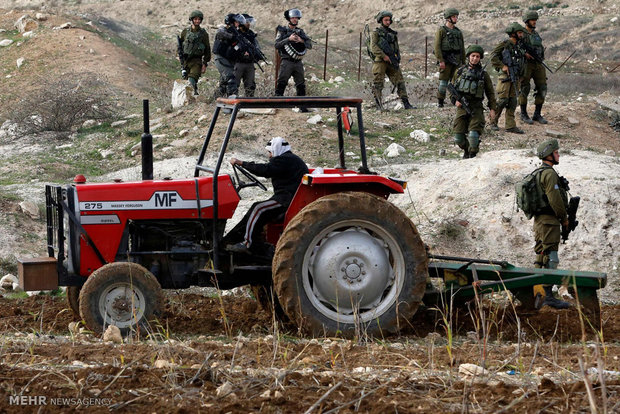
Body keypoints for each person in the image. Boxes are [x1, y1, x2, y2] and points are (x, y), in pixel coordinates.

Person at [227, 137, 309, 254]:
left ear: (277, 149)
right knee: (257, 208)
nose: (270, 156)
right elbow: (268, 169)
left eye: (270, 152)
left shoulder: (285, 159)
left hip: (287, 199)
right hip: (287, 196)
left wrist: (242, 163)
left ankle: (247, 244)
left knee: (258, 208)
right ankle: (234, 240)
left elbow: (265, 170)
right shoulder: (289, 159)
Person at [531, 139, 571, 309]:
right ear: (549, 155)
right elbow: (555, 200)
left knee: (541, 254)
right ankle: (547, 295)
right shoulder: (549, 174)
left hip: (540, 221)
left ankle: (538, 293)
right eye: (556, 152)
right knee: (551, 258)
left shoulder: (539, 172)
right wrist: (563, 218)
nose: (558, 154)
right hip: (549, 222)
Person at [450, 45, 496, 158]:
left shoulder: (483, 75)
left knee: (474, 135)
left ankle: (472, 153)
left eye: (477, 56)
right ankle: (466, 150)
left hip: (476, 108)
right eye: (473, 56)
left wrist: (492, 109)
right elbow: (452, 89)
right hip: (462, 108)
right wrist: (455, 101)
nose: (475, 58)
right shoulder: (460, 72)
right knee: (458, 137)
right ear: (468, 57)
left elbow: (490, 93)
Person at [370, 10, 414, 110]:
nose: (388, 22)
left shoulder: (392, 34)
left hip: (392, 61)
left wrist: (397, 57)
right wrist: (384, 56)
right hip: (380, 61)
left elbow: (396, 47)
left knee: (400, 81)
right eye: (385, 20)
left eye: (389, 20)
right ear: (381, 21)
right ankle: (378, 105)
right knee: (378, 83)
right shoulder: (376, 33)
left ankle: (406, 103)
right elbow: (373, 47)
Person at [490, 22, 526, 134]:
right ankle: (493, 122)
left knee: (513, 101)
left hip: (516, 76)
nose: (521, 35)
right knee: (502, 100)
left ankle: (510, 125)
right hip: (505, 76)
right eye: (519, 33)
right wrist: (503, 66)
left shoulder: (519, 46)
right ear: (513, 34)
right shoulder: (505, 44)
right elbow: (493, 56)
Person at [275, 8, 312, 107]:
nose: (295, 19)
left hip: (298, 62)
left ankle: (302, 106)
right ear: (289, 18)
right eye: (293, 18)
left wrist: (301, 41)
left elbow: (310, 45)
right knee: (282, 82)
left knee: (301, 84)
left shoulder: (301, 32)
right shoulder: (282, 31)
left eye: (296, 18)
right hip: (287, 61)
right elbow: (277, 45)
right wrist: (288, 39)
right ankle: (277, 104)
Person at [519, 10, 549, 125]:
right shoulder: (521, 33)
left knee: (542, 88)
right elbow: (515, 46)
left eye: (535, 20)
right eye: (532, 20)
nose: (534, 22)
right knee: (524, 88)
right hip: (526, 64)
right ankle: (523, 114)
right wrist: (524, 53)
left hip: (538, 63)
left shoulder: (536, 34)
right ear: (527, 21)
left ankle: (537, 114)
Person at [434, 8, 465, 108]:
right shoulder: (441, 30)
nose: (456, 18)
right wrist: (440, 60)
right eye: (454, 16)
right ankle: (440, 102)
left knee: (457, 81)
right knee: (443, 81)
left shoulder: (458, 32)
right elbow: (437, 46)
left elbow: (462, 48)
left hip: (457, 59)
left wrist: (463, 62)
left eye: (456, 16)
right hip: (446, 60)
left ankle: (455, 100)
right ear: (448, 18)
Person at [213, 13, 246, 97]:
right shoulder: (224, 29)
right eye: (236, 22)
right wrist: (233, 37)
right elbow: (220, 33)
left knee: (224, 83)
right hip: (220, 58)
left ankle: (216, 99)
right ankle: (234, 101)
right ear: (231, 22)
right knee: (231, 79)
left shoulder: (237, 33)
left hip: (229, 60)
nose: (238, 24)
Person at [178, 10, 211, 96]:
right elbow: (180, 46)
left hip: (196, 61)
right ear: (191, 19)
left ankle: (194, 95)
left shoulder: (203, 34)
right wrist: (179, 57)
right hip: (186, 61)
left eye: (199, 19)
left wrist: (205, 64)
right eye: (195, 19)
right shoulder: (185, 32)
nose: (197, 21)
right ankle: (193, 97)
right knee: (185, 83)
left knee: (192, 79)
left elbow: (207, 49)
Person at [234, 14, 260, 97]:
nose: (248, 24)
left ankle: (249, 105)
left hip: (249, 63)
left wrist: (253, 54)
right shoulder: (235, 34)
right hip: (238, 63)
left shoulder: (251, 35)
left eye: (249, 22)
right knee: (234, 85)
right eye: (247, 22)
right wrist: (241, 53)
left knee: (250, 86)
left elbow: (257, 48)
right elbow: (232, 49)